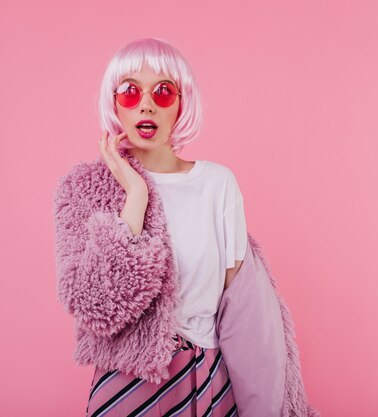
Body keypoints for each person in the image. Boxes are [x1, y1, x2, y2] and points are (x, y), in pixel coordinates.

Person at [57, 37, 248, 416]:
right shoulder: (85, 189)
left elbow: (237, 300)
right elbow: (97, 303)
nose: (146, 103)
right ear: (114, 103)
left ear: (181, 102)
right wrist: (136, 193)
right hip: (128, 381)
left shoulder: (217, 184)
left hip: (208, 376)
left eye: (163, 91)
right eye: (130, 91)